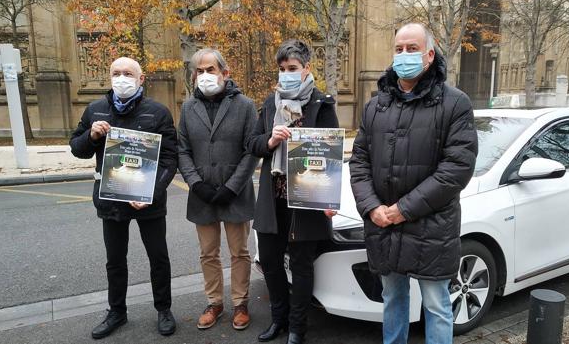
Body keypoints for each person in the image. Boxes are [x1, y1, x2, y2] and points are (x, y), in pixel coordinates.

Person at [349, 23, 478, 344]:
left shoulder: (455, 103)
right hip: (384, 227)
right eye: (398, 49)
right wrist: (372, 208)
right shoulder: (375, 105)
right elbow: (359, 163)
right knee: (393, 299)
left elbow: (456, 169)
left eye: (412, 48)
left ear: (430, 54)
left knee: (436, 304)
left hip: (431, 227)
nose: (404, 55)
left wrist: (402, 210)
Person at [70, 57, 178, 339]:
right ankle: (116, 311)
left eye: (128, 73)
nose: (122, 78)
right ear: (109, 77)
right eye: (116, 73)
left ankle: (164, 309)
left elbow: (169, 158)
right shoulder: (95, 110)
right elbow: (77, 149)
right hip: (111, 200)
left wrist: (153, 193)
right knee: (115, 260)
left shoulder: (158, 112)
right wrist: (92, 136)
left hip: (148, 201)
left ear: (141, 79)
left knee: (158, 257)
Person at [247, 39, 339, 344]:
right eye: (282, 68)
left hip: (307, 198)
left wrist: (330, 198)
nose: (287, 73)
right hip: (273, 197)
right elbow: (254, 144)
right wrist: (270, 141)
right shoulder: (270, 103)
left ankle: (298, 328)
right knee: (271, 261)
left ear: (306, 68)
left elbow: (331, 155)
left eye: (293, 68)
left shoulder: (321, 103)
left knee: (300, 264)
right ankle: (279, 320)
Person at [177, 48, 258, 331]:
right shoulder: (188, 108)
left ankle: (240, 303)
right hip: (202, 195)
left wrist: (232, 187)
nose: (205, 75)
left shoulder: (245, 105)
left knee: (239, 252)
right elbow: (182, 149)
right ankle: (214, 302)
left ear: (225, 73)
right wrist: (195, 182)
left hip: (234, 193)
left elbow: (251, 151)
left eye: (210, 69)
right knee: (208, 253)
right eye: (199, 71)